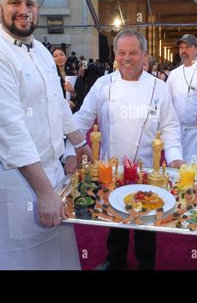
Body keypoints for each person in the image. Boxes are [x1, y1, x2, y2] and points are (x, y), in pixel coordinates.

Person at [0, 0, 90, 270]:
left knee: (58, 257)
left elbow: (58, 104)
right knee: (20, 259)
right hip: (15, 178)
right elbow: (9, 130)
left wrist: (78, 143)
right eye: (14, 3)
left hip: (53, 173)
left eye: (29, 4)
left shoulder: (43, 52)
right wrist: (44, 193)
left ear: (37, 10)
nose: (23, 10)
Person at [64, 29, 184, 270]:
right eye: (121, 53)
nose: (126, 58)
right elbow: (82, 119)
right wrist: (72, 148)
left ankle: (146, 264)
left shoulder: (158, 87)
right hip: (112, 167)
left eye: (133, 53)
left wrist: (175, 159)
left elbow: (170, 126)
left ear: (144, 55)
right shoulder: (103, 84)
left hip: (148, 169)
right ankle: (116, 261)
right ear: (115, 55)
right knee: (115, 217)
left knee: (147, 220)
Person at [167, 34, 197, 167]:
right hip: (177, 131)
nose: (183, 50)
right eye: (181, 47)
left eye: (187, 47)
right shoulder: (174, 74)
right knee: (178, 169)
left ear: (196, 49)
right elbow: (167, 103)